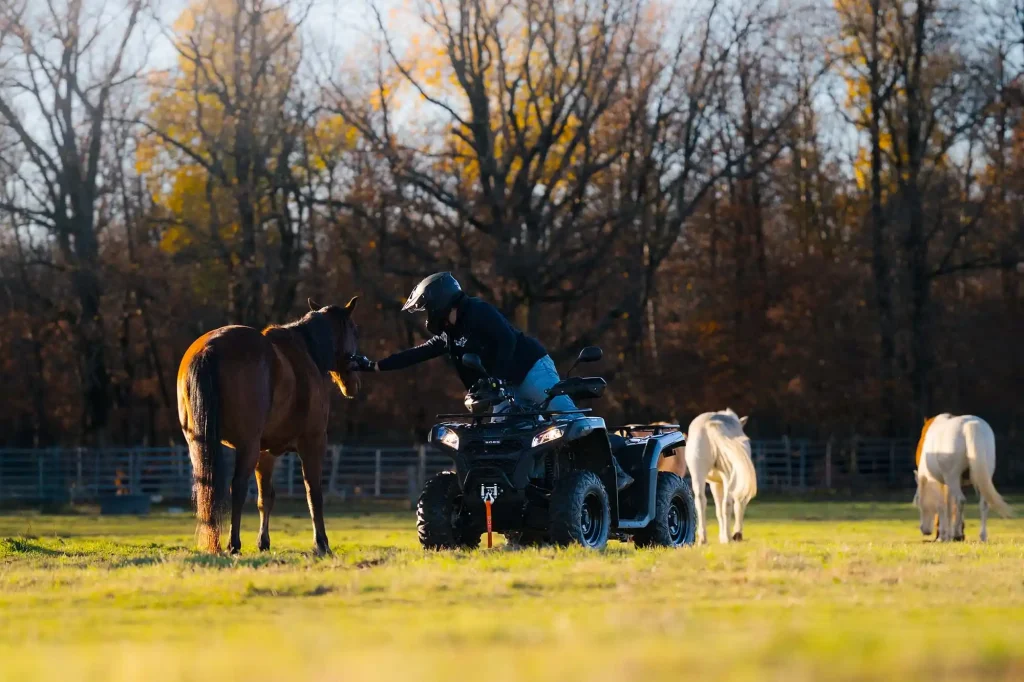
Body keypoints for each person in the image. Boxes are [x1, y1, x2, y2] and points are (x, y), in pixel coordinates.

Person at [352, 272, 633, 490]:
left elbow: (507, 341)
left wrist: (496, 378)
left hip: (530, 370)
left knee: (570, 420)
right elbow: (419, 353)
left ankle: (618, 471)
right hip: (503, 388)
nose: (427, 317)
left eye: (427, 309)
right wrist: (375, 366)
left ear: (439, 303)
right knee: (499, 446)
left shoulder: (478, 311)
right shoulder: (449, 334)